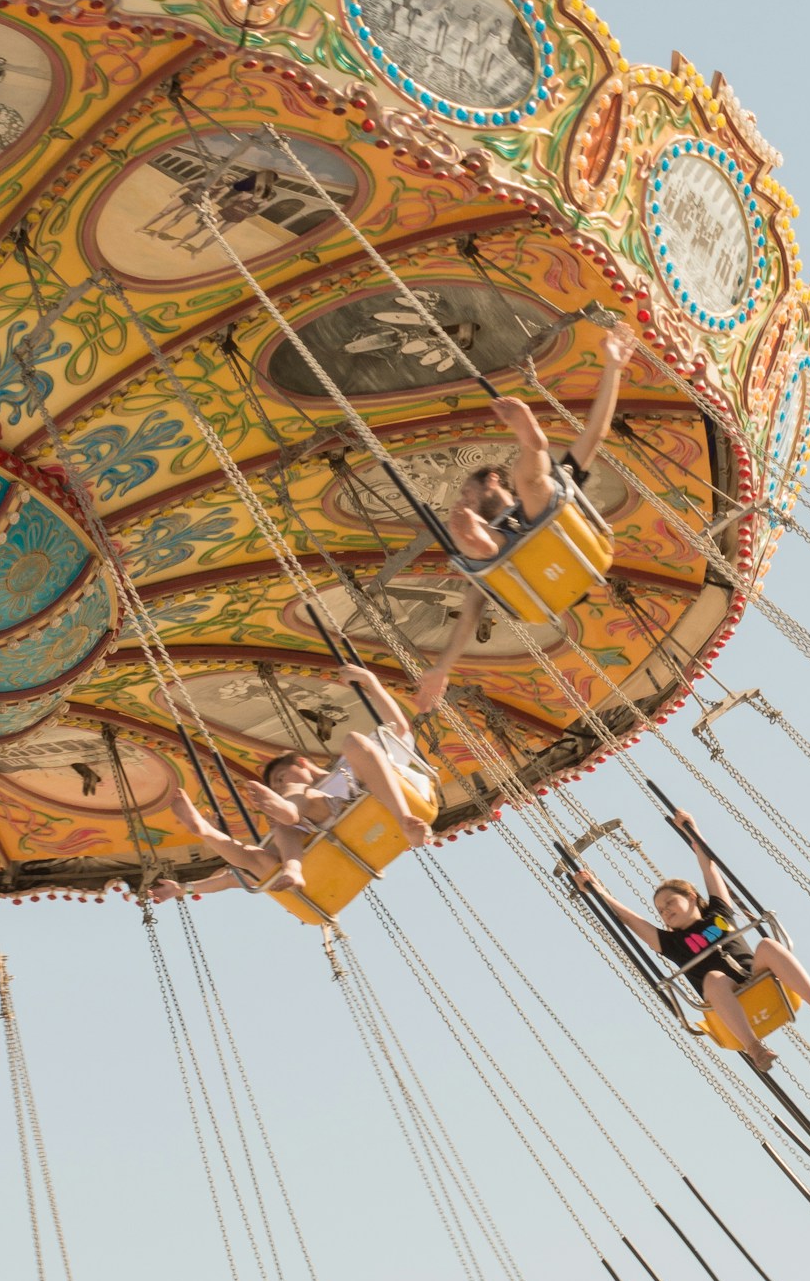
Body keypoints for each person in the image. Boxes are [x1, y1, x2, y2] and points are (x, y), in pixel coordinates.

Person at [415, 326, 636, 715]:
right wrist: (442, 668)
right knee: (478, 544)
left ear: (490, 480)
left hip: (560, 533)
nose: (463, 499)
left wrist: (612, 365)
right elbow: (468, 616)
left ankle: (533, 443)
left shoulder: (527, 490)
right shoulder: (488, 544)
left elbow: (596, 431)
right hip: (522, 570)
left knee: (536, 484)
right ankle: (530, 450)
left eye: (466, 492)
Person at [571, 808, 810, 1074]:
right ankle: (754, 1047)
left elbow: (709, 868)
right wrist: (597, 890)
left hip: (759, 976)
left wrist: (692, 831)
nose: (664, 910)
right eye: (660, 910)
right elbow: (630, 919)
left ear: (690, 896)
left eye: (669, 902)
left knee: (768, 945)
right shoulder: (671, 943)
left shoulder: (719, 914)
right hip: (724, 994)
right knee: (713, 977)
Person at [157, 662, 437, 898]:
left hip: (371, 792)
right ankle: (214, 835)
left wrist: (370, 681)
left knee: (353, 742)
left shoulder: (346, 765)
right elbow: (237, 877)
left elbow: (398, 728)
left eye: (280, 779)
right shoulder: (302, 801)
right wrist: (185, 888)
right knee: (267, 849)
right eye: (277, 787)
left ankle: (405, 819)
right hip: (323, 821)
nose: (280, 786)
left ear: (302, 763)